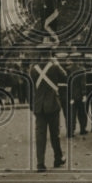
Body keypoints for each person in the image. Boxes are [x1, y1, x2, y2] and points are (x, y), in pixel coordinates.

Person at [29, 41, 67, 171]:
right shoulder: (55, 66)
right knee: (54, 134)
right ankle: (57, 158)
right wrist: (56, 63)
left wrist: (32, 105)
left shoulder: (33, 69)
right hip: (53, 104)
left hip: (39, 106)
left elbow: (31, 88)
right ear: (50, 53)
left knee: (40, 135)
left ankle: (40, 163)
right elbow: (65, 77)